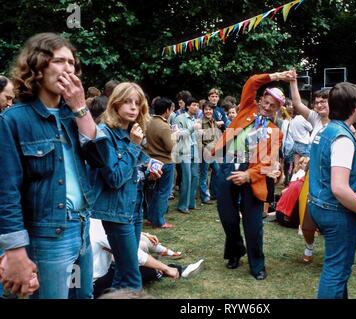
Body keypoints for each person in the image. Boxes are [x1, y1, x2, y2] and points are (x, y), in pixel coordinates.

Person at [0, 32, 107, 298]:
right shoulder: (13, 120)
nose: (68, 69)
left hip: (82, 226)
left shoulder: (74, 115)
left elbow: (102, 160)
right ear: (37, 66)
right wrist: (14, 250)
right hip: (48, 234)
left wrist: (81, 108)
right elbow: (6, 190)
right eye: (59, 61)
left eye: (72, 63)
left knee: (85, 295)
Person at [212, 70, 293, 280]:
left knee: (253, 224)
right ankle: (236, 250)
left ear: (277, 109)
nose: (267, 107)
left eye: (272, 106)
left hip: (255, 175)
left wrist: (248, 174)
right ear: (260, 100)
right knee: (228, 218)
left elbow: (267, 162)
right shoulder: (246, 110)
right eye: (265, 102)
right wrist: (277, 76)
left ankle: (257, 264)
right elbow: (250, 82)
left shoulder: (276, 131)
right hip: (229, 165)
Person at [308, 82, 356, 299]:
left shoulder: (327, 129)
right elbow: (340, 188)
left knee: (337, 268)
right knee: (336, 271)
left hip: (320, 205)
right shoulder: (342, 138)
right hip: (336, 211)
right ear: (355, 107)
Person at [89, 82, 150, 291]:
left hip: (134, 208)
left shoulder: (130, 132)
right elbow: (114, 177)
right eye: (128, 101)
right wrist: (134, 146)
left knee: (122, 273)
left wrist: (149, 170)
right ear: (115, 104)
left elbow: (133, 170)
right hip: (116, 213)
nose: (134, 107)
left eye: (138, 103)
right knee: (133, 279)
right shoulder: (104, 133)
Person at [89, 218, 204, 298]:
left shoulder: (88, 218)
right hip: (94, 284)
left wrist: (144, 234)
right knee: (139, 268)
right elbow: (133, 254)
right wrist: (165, 268)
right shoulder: (95, 221)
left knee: (140, 243)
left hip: (81, 282)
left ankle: (165, 258)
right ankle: (175, 269)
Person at [143, 97, 176, 228]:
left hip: (152, 161)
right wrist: (175, 137)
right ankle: (160, 221)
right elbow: (169, 147)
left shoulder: (149, 122)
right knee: (163, 192)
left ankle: (151, 217)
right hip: (165, 162)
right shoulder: (164, 126)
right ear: (167, 110)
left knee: (153, 192)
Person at [173, 97, 201, 213]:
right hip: (184, 151)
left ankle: (191, 203)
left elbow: (196, 135)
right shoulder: (179, 118)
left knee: (195, 177)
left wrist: (200, 133)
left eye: (197, 105)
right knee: (186, 178)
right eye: (194, 105)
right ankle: (182, 205)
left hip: (195, 149)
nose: (196, 107)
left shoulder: (196, 119)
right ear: (188, 106)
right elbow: (178, 135)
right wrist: (191, 129)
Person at [198, 101, 222, 205]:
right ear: (203, 111)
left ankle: (213, 193)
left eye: (210, 109)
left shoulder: (213, 121)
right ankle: (204, 197)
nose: (208, 111)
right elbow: (199, 140)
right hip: (206, 152)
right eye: (206, 109)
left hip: (214, 152)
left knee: (217, 171)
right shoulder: (201, 122)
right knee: (203, 175)